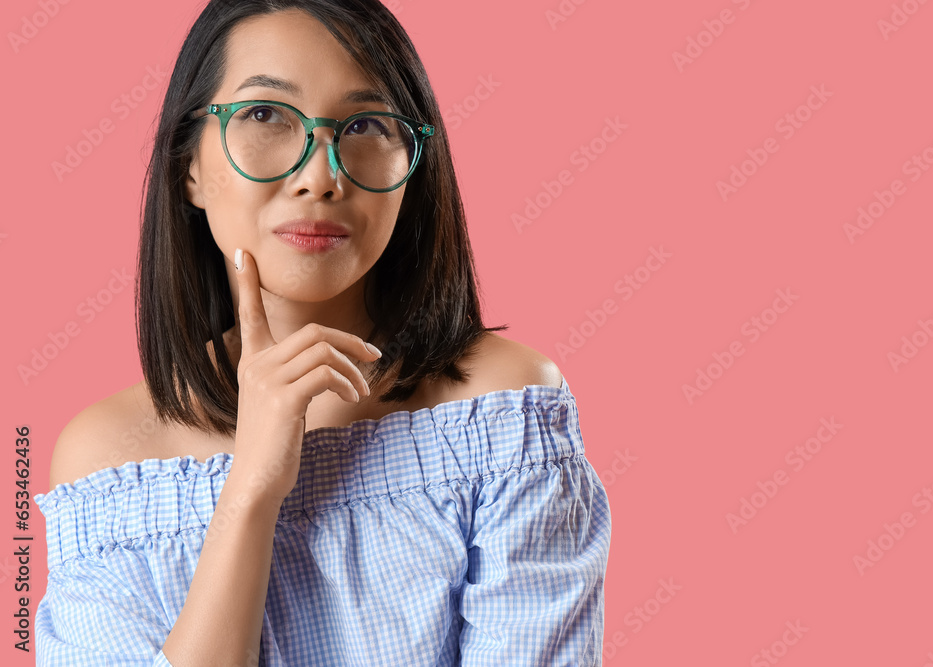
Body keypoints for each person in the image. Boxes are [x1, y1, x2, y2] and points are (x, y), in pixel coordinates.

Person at [31, 0, 612, 664]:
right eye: (264, 115)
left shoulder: (503, 415)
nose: (320, 177)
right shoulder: (108, 464)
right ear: (188, 166)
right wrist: (250, 488)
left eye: (365, 124)